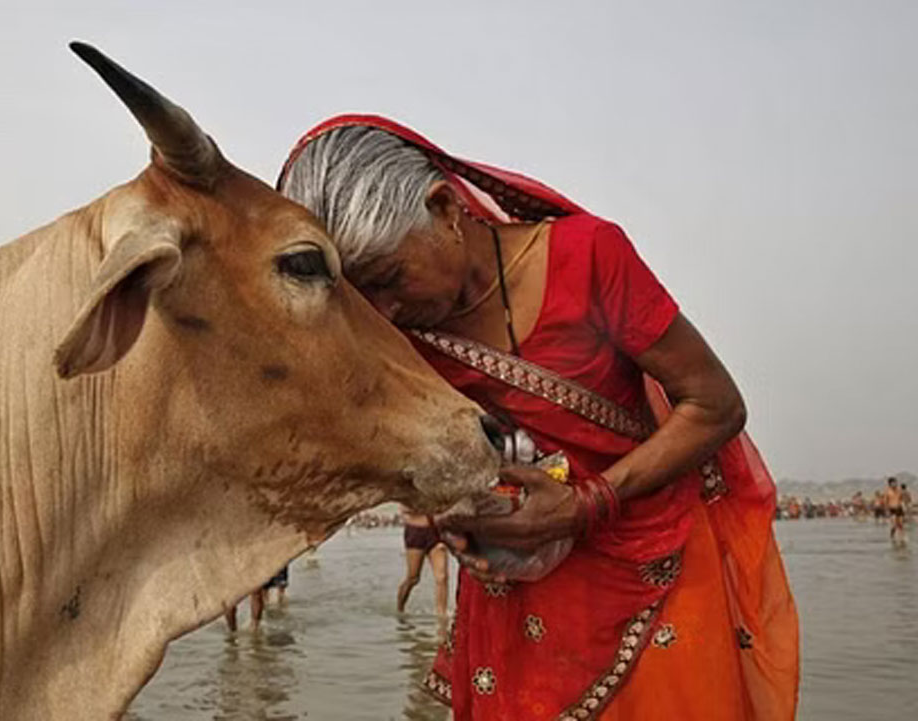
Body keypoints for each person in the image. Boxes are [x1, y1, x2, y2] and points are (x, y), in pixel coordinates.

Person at [279, 116, 800, 720]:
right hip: (516, 594)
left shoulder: (587, 260)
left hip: (653, 565)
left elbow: (715, 405)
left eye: (390, 278)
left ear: (445, 207)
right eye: (365, 299)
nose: (386, 312)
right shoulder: (400, 336)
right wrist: (460, 517)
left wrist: (585, 505)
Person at [397, 505, 450, 617]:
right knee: (413, 578)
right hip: (415, 530)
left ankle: (441, 616)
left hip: (436, 531)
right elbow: (404, 509)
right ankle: (400, 609)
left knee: (442, 577)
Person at [884, 477, 906, 543]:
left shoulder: (899, 491)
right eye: (893, 483)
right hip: (892, 510)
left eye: (896, 482)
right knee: (894, 525)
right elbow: (886, 502)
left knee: (901, 524)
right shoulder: (887, 492)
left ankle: (902, 538)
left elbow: (902, 500)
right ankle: (892, 536)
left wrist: (904, 507)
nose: (895, 484)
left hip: (899, 509)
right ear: (890, 484)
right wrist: (887, 511)